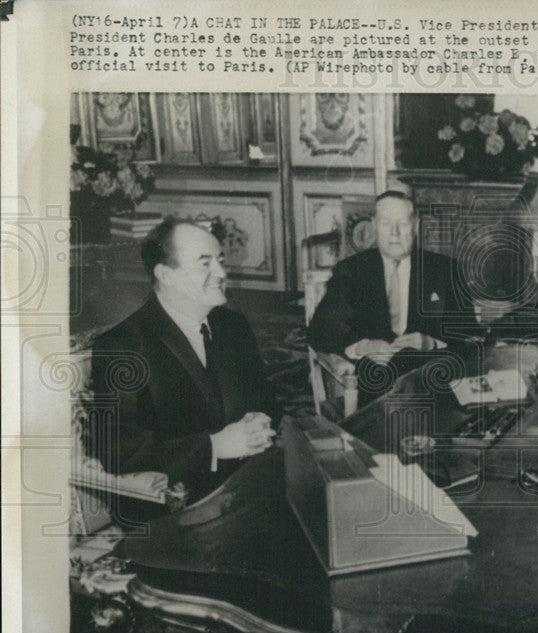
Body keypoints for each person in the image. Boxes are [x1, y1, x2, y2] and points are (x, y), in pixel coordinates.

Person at [89, 218, 279, 507]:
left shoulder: (233, 326)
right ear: (166, 275)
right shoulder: (122, 347)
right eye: (205, 263)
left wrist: (260, 419)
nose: (222, 272)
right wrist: (214, 447)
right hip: (175, 509)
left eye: (220, 260)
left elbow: (267, 400)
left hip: (248, 489)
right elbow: (120, 453)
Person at [306, 190, 472, 405]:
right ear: (374, 226)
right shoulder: (352, 270)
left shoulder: (443, 268)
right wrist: (363, 347)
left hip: (429, 370)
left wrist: (431, 343)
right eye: (386, 224)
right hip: (376, 377)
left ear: (415, 226)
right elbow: (320, 331)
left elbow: (470, 333)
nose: (394, 232)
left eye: (402, 223)